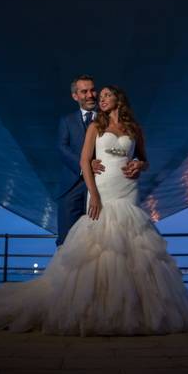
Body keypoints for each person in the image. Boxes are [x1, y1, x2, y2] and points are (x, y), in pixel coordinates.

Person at [0, 85, 188, 336]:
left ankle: (136, 308)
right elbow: (85, 160)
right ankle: (97, 308)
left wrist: (139, 164)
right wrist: (93, 194)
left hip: (128, 190)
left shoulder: (134, 129)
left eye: (107, 95)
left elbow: (144, 158)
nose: (101, 98)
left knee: (134, 243)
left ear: (119, 99)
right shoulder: (96, 126)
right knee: (101, 243)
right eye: (101, 95)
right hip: (103, 189)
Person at [53, 74, 140, 247]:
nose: (91, 95)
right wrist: (85, 164)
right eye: (84, 92)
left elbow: (130, 149)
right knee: (67, 242)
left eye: (93, 90)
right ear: (75, 96)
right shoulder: (67, 121)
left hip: (105, 187)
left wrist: (137, 162)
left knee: (105, 242)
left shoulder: (111, 117)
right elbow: (62, 148)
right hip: (73, 187)